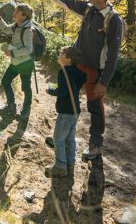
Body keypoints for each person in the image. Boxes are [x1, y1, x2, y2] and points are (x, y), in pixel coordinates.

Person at [32, 0, 124, 161]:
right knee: (67, 95)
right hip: (78, 64)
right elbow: (65, 1)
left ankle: (95, 146)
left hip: (95, 70)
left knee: (94, 106)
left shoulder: (114, 21)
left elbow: (113, 54)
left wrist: (103, 82)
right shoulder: (88, 9)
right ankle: (62, 134)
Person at [0, 4, 36, 118]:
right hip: (16, 62)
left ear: (24, 16)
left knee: (26, 87)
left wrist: (12, 53)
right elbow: (6, 29)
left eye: (17, 11)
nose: (14, 13)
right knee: (5, 81)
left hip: (25, 63)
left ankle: (26, 110)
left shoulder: (28, 30)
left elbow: (29, 49)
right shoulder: (17, 25)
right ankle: (11, 106)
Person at [45, 46, 87, 177]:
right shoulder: (78, 72)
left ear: (68, 59)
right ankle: (70, 164)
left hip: (66, 112)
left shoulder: (63, 71)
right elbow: (73, 87)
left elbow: (62, 91)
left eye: (62, 53)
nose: (59, 54)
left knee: (58, 139)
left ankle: (60, 167)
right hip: (75, 111)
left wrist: (50, 90)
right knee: (70, 138)